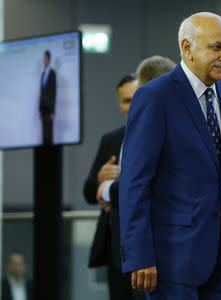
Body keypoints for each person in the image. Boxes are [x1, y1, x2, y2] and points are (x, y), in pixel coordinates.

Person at [119, 12, 221, 300]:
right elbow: (135, 184)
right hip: (169, 264)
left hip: (218, 263)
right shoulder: (155, 97)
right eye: (216, 47)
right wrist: (139, 255)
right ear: (187, 47)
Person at [83, 74, 139, 300]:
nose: (132, 105)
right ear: (119, 104)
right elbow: (88, 193)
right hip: (116, 245)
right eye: (126, 100)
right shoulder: (111, 140)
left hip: (152, 246)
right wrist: (100, 178)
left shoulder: (161, 134)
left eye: (137, 97)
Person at [39, 50, 56, 146]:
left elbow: (54, 93)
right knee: (44, 134)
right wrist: (39, 109)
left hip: (49, 109)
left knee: (49, 133)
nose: (44, 60)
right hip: (43, 109)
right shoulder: (43, 73)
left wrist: (53, 111)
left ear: (49, 60)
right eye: (43, 59)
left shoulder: (52, 73)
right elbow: (41, 92)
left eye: (45, 58)